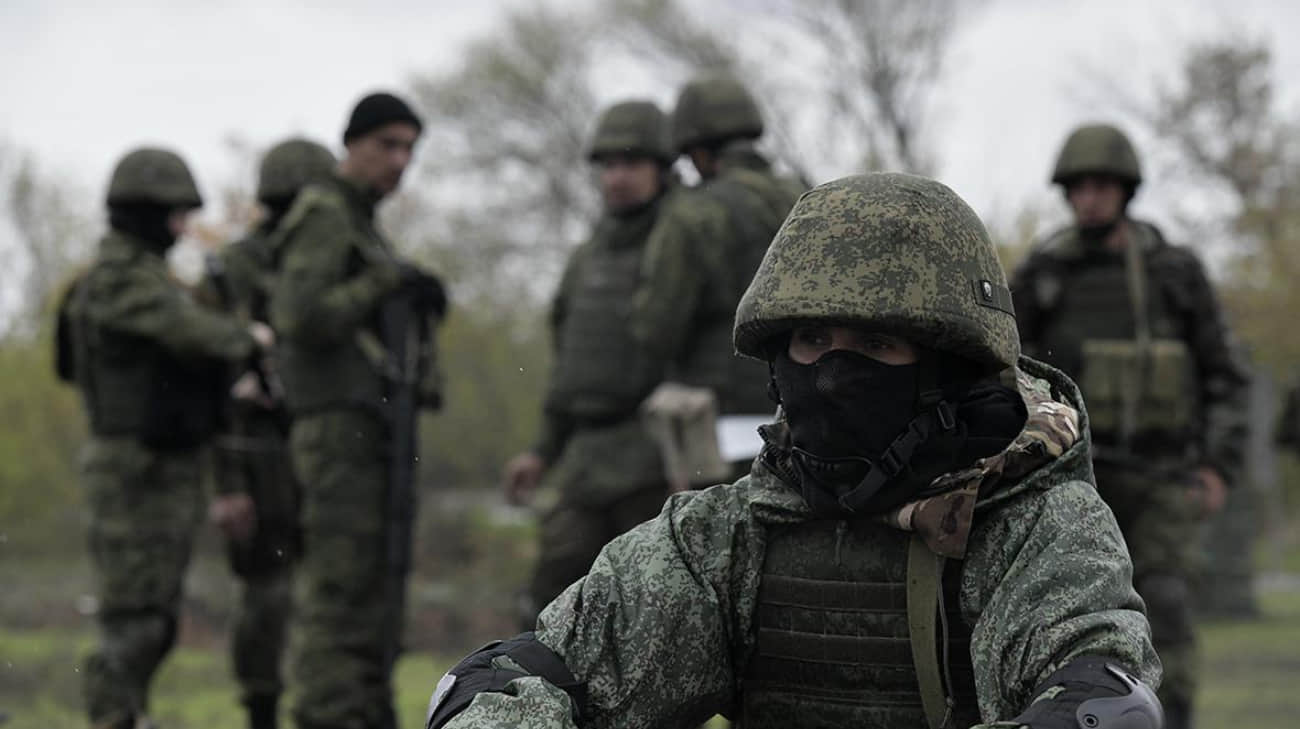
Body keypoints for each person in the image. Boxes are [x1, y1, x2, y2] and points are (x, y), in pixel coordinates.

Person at [426, 173, 1162, 729]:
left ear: (951, 368)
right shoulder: (725, 538)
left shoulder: (1040, 527)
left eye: (876, 343)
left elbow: (1099, 698)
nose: (834, 376)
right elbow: (527, 675)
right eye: (811, 340)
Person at [1010, 123, 1250, 729]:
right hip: (1075, 477)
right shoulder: (1044, 274)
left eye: (1102, 186)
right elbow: (1007, 371)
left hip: (1164, 474)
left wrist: (1217, 466)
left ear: (1125, 191)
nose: (1089, 199)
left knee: (1165, 604)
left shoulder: (1174, 272)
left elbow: (1225, 374)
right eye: (1079, 188)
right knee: (1068, 613)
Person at [58, 147, 272, 729]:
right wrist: (248, 337)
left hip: (162, 466)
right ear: (142, 212)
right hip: (133, 470)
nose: (181, 229)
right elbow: (191, 331)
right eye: (174, 215)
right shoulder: (118, 279)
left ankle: (129, 715)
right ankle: (113, 717)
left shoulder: (149, 277)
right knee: (133, 619)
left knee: (156, 616)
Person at [270, 92, 445, 729]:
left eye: (409, 150)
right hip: (337, 427)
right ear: (352, 144)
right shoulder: (325, 212)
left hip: (370, 428)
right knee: (340, 590)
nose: (399, 161)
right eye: (387, 145)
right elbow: (300, 315)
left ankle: (363, 710)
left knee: (375, 587)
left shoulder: (360, 221)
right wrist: (386, 280)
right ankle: (328, 713)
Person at [501, 100, 679, 626]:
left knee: (651, 613)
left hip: (654, 457)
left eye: (632, 163)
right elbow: (571, 366)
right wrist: (542, 450)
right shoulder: (588, 258)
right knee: (549, 606)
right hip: (586, 458)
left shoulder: (678, 244)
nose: (617, 177)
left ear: (661, 168)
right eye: (609, 165)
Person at [199, 138, 337, 729]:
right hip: (258, 452)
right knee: (266, 595)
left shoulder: (331, 257)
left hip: (327, 445)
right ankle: (261, 708)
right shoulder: (236, 268)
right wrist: (228, 480)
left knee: (331, 594)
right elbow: (210, 378)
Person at [633, 75, 805, 484]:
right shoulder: (806, 197)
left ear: (696, 151)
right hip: (805, 412)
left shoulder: (694, 212)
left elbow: (656, 328)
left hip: (718, 424)